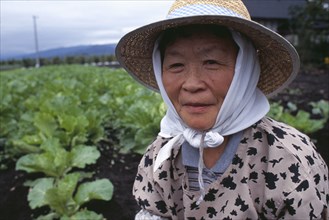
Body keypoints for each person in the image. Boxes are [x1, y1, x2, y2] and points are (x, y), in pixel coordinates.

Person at [115, 0, 329, 219]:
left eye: (212, 62)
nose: (192, 83)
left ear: (245, 70)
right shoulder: (161, 154)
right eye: (176, 65)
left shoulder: (290, 158)